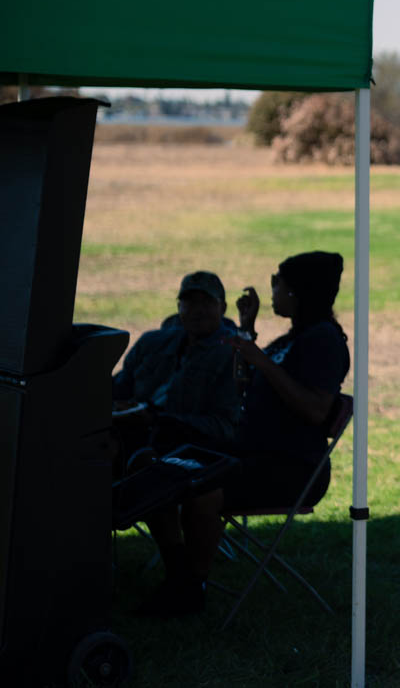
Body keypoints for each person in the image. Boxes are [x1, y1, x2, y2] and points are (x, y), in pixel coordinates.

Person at [138, 251, 350, 616]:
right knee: (158, 467)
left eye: (278, 282)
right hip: (250, 452)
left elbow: (316, 410)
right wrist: (248, 329)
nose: (272, 288)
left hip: (290, 466)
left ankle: (191, 587)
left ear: (299, 292)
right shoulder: (291, 339)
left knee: (201, 489)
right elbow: (245, 383)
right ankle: (181, 578)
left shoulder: (324, 341)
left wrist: (262, 360)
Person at [112, 270, 240, 459]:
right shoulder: (152, 343)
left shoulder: (233, 355)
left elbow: (227, 427)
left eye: (207, 302)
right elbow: (119, 387)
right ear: (179, 306)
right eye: (190, 302)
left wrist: (160, 421)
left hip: (184, 451)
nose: (198, 310)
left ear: (223, 308)